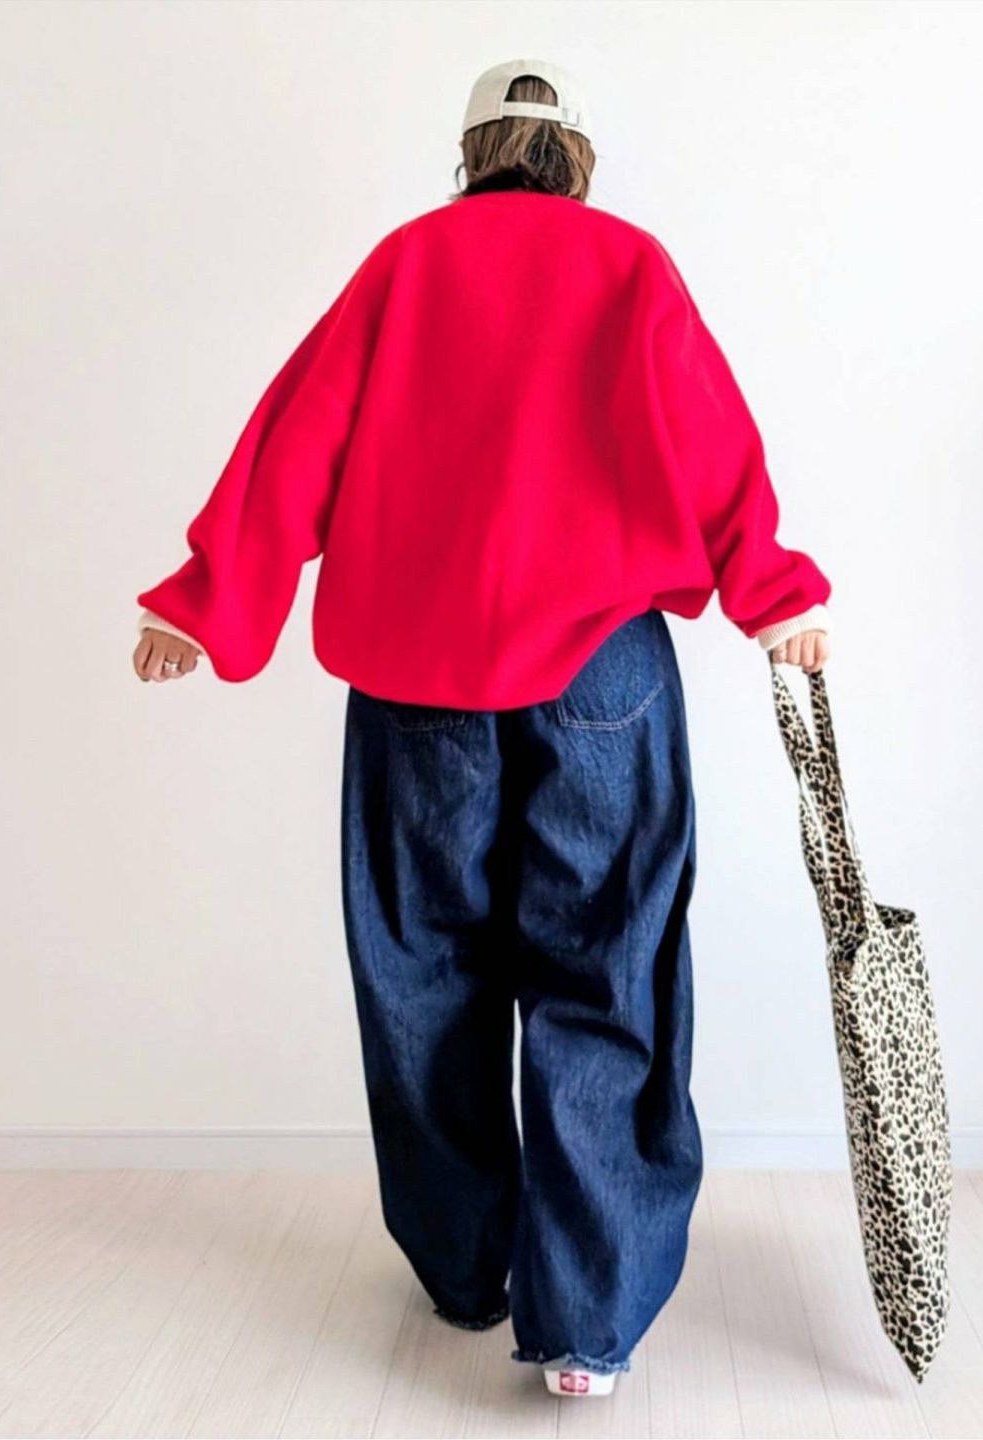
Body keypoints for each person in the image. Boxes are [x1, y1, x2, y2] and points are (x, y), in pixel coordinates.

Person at [133, 59, 831, 1399]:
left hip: (418, 674)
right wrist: (776, 596)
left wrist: (208, 604)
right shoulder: (630, 266)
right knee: (607, 967)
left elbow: (294, 441)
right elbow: (713, 443)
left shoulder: (406, 264)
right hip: (603, 668)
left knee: (424, 971)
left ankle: (466, 1273)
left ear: (471, 158)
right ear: (577, 159)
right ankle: (586, 1323)